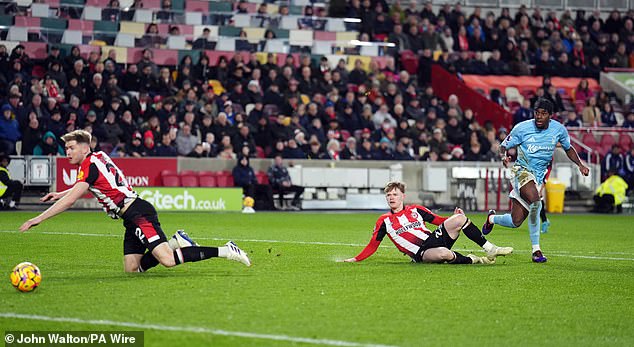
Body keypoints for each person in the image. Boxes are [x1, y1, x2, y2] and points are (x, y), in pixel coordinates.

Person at [19, 130, 251, 272]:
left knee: (168, 261)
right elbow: (93, 184)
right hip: (130, 217)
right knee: (133, 269)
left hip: (138, 213)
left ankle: (226, 250)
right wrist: (60, 193)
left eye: (70, 148)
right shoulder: (97, 157)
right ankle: (175, 242)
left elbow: (72, 200)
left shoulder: (89, 166)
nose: (67, 152)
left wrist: (38, 218)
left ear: (84, 148)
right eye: (66, 148)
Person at [482, 98, 589, 263]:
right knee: (535, 200)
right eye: (537, 113)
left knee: (515, 221)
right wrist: (504, 156)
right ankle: (536, 250)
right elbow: (503, 146)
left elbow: (568, 148)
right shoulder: (522, 128)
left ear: (550, 116)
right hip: (521, 172)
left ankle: (492, 219)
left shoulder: (558, 130)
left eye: (543, 114)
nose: (539, 117)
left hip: (538, 177)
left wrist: (580, 165)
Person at [341, 181, 513, 265]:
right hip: (421, 253)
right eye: (388, 195)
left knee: (460, 219)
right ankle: (475, 260)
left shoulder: (416, 209)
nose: (391, 198)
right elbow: (373, 245)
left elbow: (438, 221)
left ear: (402, 197)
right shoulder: (384, 221)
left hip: (433, 239)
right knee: (444, 253)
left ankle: (491, 249)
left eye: (395, 194)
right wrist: (355, 259)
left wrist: (453, 218)